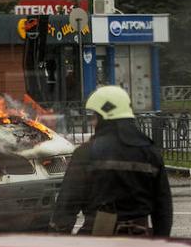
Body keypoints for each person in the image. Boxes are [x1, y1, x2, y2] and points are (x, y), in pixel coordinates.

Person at [50, 85, 173, 237]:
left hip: (99, 243)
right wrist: (161, 244)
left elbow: (67, 205)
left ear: (104, 116)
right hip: (141, 243)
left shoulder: (86, 153)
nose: (92, 123)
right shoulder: (150, 152)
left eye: (94, 117)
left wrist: (60, 243)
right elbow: (163, 208)